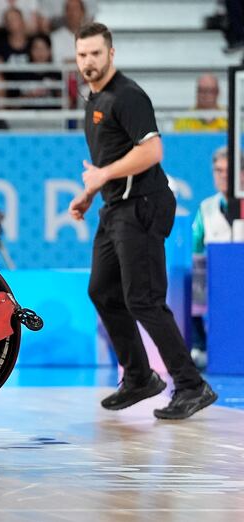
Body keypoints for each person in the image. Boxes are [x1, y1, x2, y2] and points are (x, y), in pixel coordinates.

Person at [67, 23, 216, 420]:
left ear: (111, 54)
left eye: (96, 54)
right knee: (102, 291)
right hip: (114, 208)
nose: (89, 62)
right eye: (82, 55)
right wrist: (88, 193)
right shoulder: (93, 99)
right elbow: (108, 164)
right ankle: (138, 378)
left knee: (144, 299)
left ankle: (191, 385)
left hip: (143, 205)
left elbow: (151, 151)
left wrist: (101, 177)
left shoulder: (128, 96)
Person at [190, 146, 234, 369]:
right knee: (192, 282)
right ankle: (200, 345)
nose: (224, 175)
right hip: (216, 279)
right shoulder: (206, 207)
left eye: (229, 170)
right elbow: (197, 249)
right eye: (218, 170)